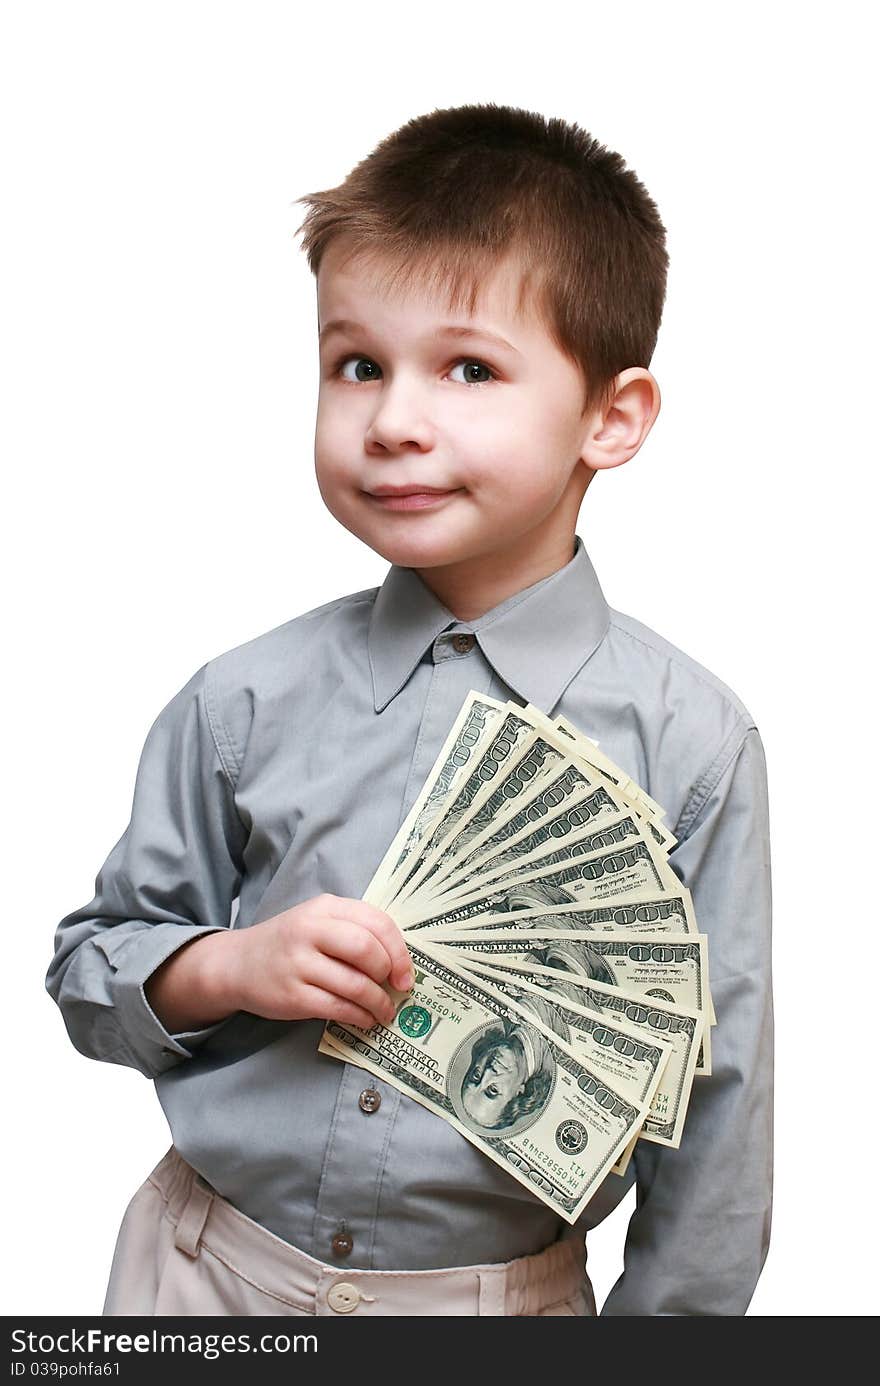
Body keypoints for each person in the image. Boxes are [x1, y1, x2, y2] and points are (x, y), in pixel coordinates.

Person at [45, 102, 773, 1317]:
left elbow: (718, 1110)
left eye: (470, 368)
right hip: (204, 1275)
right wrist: (231, 964)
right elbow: (89, 973)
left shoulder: (693, 744)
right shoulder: (238, 700)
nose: (391, 420)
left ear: (613, 416)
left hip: (495, 1303)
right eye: (356, 364)